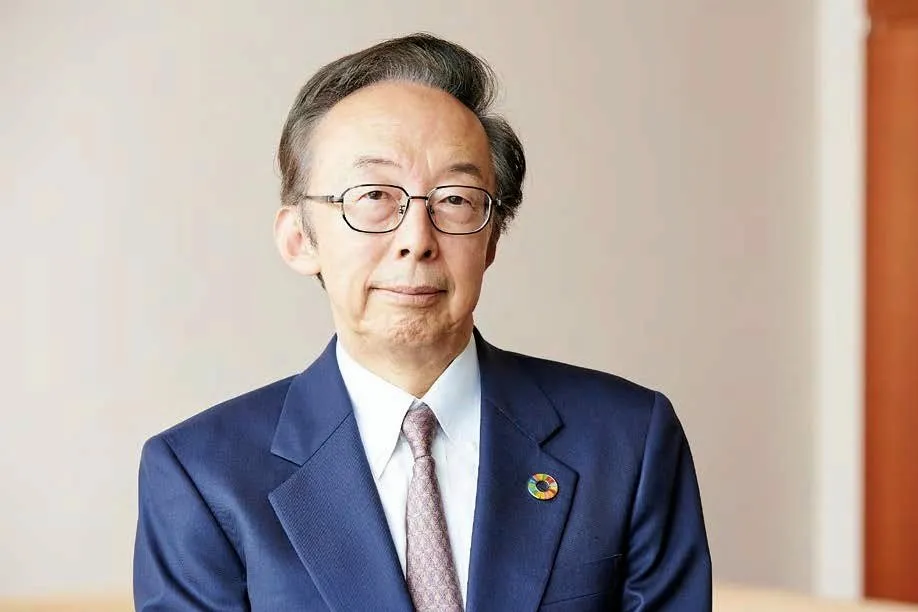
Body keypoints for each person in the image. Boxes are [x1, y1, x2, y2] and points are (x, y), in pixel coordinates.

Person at [133, 33, 712, 611]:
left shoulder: (628, 441)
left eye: (455, 199)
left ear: (490, 240)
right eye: (374, 196)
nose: (417, 239)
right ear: (299, 239)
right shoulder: (200, 475)